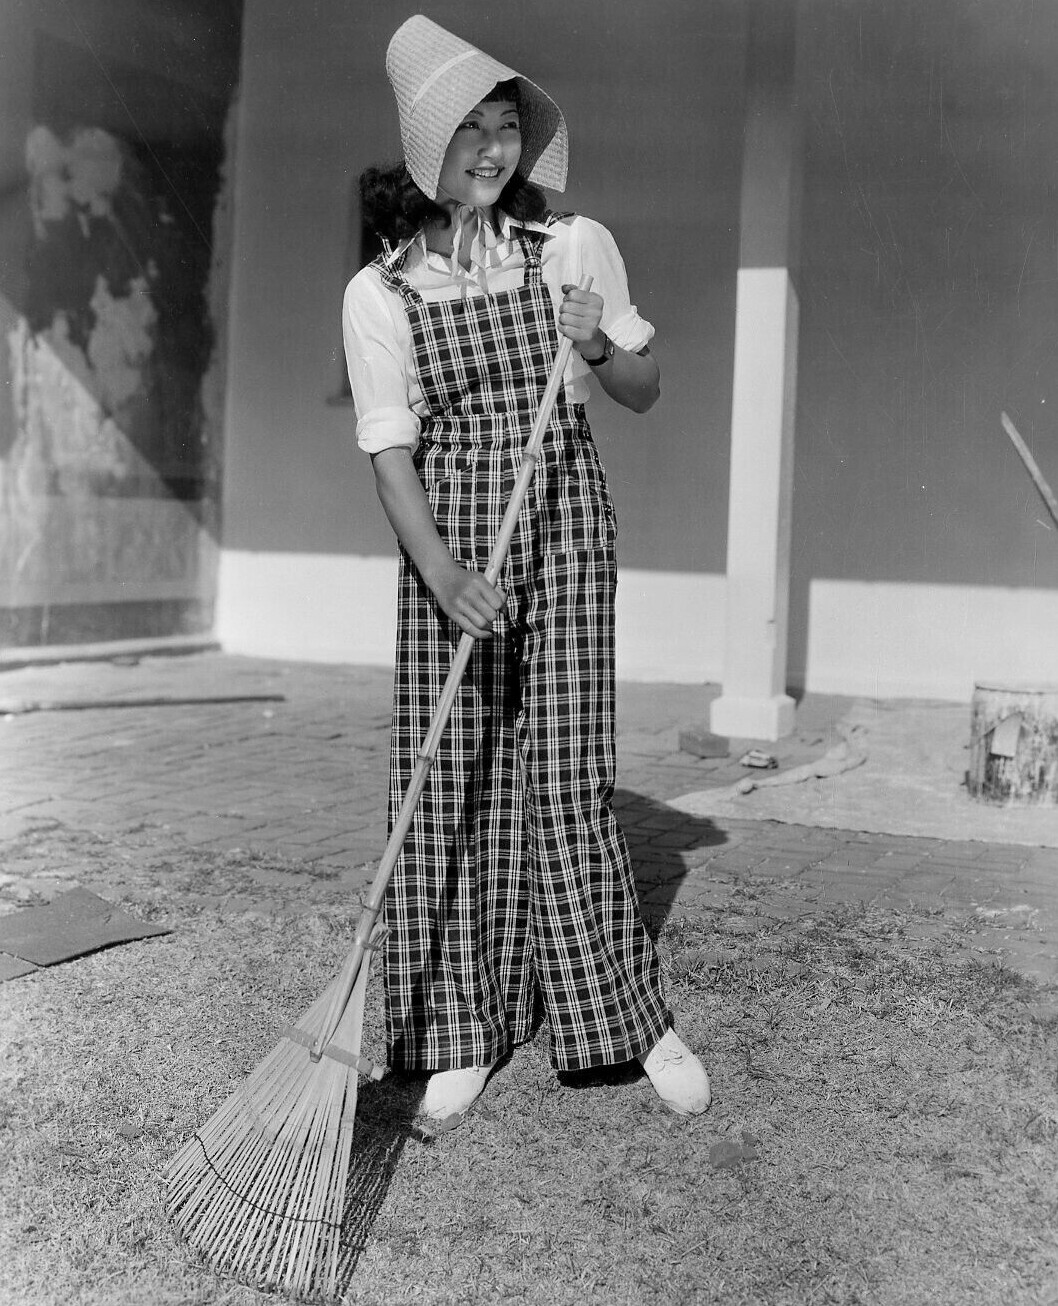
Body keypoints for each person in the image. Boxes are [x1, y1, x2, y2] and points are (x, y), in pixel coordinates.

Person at [343, 14, 710, 1131]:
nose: (493, 150)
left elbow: (644, 389)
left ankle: (620, 1017)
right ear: (427, 149)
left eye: (505, 127)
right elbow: (390, 456)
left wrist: (595, 343)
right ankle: (461, 1029)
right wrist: (445, 572)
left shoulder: (570, 246)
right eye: (470, 131)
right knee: (449, 775)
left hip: (563, 525)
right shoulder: (379, 293)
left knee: (565, 770)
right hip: (448, 545)